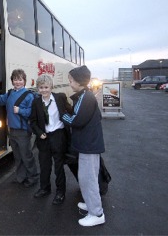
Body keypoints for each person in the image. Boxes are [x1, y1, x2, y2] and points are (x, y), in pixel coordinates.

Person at [61, 65, 106, 227]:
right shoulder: (86, 96)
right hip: (89, 144)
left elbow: (76, 120)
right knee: (86, 178)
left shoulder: (85, 98)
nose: (70, 83)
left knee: (89, 180)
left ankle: (97, 213)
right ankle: (91, 204)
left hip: (88, 145)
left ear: (79, 82)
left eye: (71, 80)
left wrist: (62, 115)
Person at [0, 69, 39, 188]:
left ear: (24, 81)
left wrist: (20, 111)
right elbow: (0, 100)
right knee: (17, 157)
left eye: (20, 79)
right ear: (12, 81)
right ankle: (20, 177)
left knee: (26, 156)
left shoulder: (28, 95)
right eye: (15, 79)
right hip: (12, 130)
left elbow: (32, 112)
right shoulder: (10, 93)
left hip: (23, 131)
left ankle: (33, 177)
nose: (18, 82)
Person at [30, 75, 72, 205]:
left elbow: (70, 112)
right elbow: (33, 121)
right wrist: (39, 132)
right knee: (44, 165)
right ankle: (45, 188)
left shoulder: (60, 98)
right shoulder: (36, 102)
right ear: (38, 89)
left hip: (58, 136)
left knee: (58, 166)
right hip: (44, 137)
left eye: (46, 87)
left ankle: (60, 192)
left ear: (51, 87)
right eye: (41, 88)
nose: (44, 90)